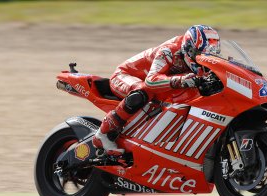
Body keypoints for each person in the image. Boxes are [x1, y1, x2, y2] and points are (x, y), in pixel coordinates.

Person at [92, 25, 221, 155]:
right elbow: (151, 81)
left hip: (155, 82)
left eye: (209, 55)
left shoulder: (196, 58)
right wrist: (181, 80)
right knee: (143, 91)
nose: (204, 59)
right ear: (189, 49)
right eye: (200, 55)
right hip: (125, 76)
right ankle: (103, 135)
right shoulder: (169, 51)